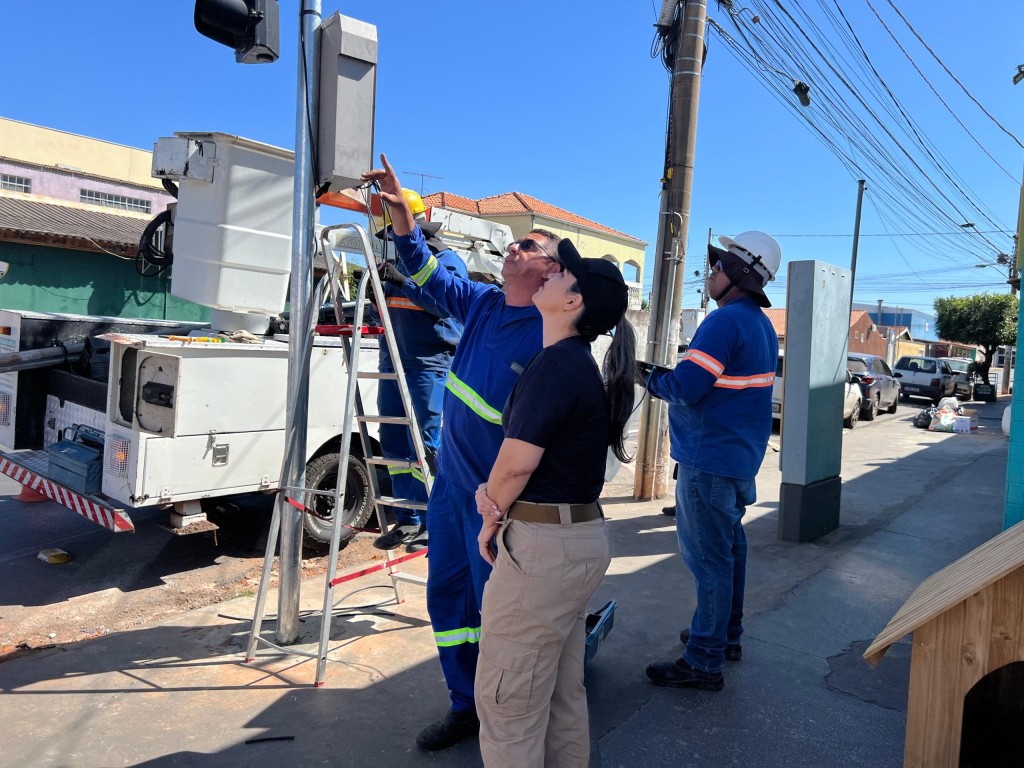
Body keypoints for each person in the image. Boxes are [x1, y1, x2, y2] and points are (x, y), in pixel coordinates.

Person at [361, 156, 562, 752]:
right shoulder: (483, 304)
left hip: (500, 505)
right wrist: (402, 218)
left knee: (500, 615)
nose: (512, 247)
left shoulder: (548, 336)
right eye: (515, 242)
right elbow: (424, 273)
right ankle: (464, 705)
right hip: (452, 492)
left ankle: (508, 711)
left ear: (551, 270)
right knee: (448, 600)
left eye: (527, 245)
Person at [472, 239, 637, 767]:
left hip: (543, 552)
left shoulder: (555, 366)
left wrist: (488, 509)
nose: (552, 272)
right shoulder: (575, 365)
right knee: (561, 693)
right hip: (574, 543)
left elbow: (515, 466)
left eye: (564, 272)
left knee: (509, 701)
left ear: (573, 301)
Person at [642, 231, 781, 691]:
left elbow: (687, 387)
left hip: (709, 462)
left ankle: (703, 660)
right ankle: (725, 636)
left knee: (708, 561)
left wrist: (649, 379)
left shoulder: (724, 322)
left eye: (719, 266)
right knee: (729, 552)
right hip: (737, 459)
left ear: (740, 272)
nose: (711, 272)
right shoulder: (759, 324)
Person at [370, 189, 468, 553]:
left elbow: (447, 304)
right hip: (393, 360)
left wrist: (403, 281)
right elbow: (386, 312)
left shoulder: (446, 260)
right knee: (394, 441)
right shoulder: (395, 261)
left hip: (430, 362)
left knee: (426, 444)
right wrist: (375, 297)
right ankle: (407, 519)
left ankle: (434, 521)